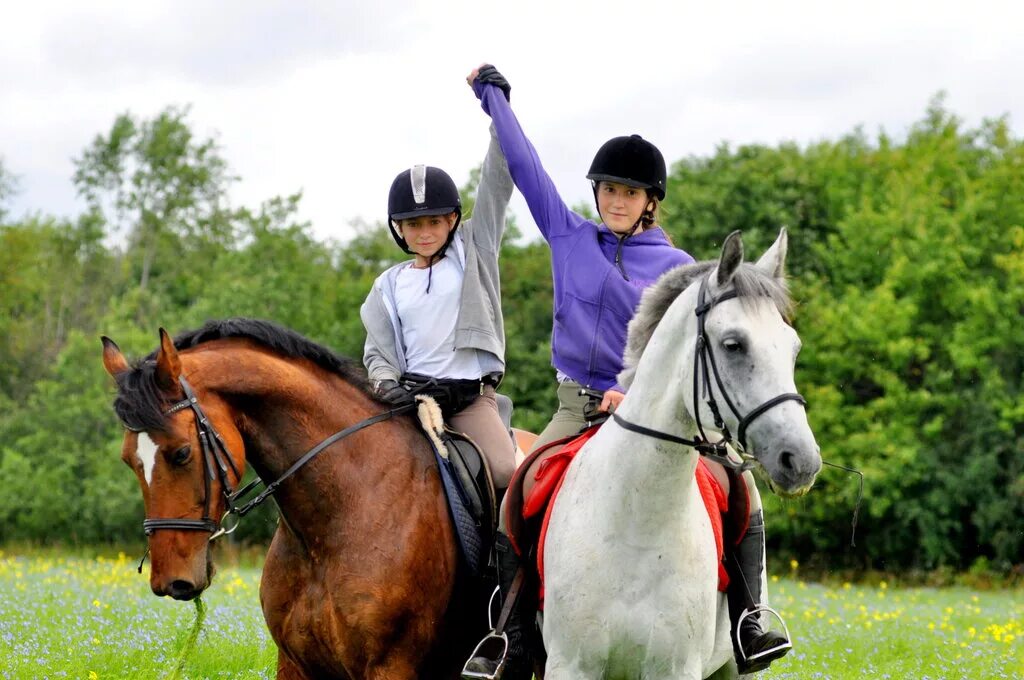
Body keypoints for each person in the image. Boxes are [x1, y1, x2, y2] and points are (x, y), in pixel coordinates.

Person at [461, 65, 790, 679]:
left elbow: (687, 356)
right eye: (608, 189)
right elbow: (528, 166)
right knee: (518, 493)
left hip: (655, 414)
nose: (616, 200)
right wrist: (493, 100)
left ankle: (748, 620)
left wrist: (634, 393)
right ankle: (508, 634)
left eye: (629, 192)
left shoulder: (680, 268)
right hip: (574, 407)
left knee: (740, 489)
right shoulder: (568, 236)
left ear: (650, 202)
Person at [359, 93, 517, 494]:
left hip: (468, 402)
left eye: (433, 221)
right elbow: (378, 353)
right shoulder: (388, 287)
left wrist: (500, 113)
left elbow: (497, 183)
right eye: (413, 225)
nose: (424, 232)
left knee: (503, 473)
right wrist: (385, 383)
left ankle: (509, 556)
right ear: (399, 229)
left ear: (452, 220)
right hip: (411, 402)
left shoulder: (473, 252)